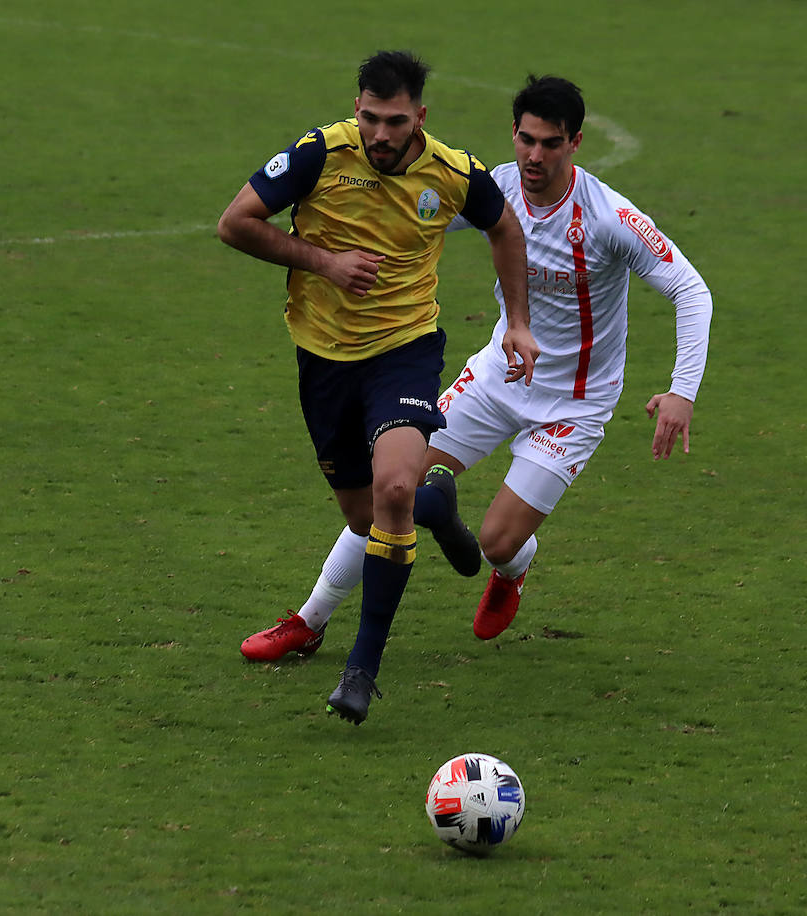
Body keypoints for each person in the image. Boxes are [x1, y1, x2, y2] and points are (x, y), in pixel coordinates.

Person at [240, 74, 710, 659]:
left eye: (550, 143)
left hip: (575, 402)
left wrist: (681, 391)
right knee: (395, 489)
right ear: (513, 133)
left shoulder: (610, 217)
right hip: (496, 378)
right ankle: (309, 620)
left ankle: (512, 572)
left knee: (497, 540)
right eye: (526, 139)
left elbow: (691, 292)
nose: (534, 155)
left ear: (576, 143)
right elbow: (415, 215)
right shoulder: (494, 188)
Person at [218, 51, 538, 725]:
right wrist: (324, 261)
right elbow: (235, 223)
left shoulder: (453, 173)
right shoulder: (318, 155)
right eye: (370, 118)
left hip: (404, 351)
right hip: (323, 360)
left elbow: (504, 228)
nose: (381, 135)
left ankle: (361, 670)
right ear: (356, 108)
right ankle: (435, 508)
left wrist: (518, 322)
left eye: (395, 122)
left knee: (391, 488)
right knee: (367, 520)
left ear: (420, 117)